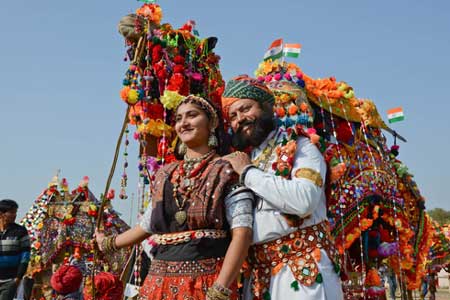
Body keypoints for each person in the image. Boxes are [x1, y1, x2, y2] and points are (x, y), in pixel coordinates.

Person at [96, 95, 254, 300]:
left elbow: (242, 234)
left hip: (205, 284)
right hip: (157, 283)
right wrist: (108, 242)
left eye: (192, 115)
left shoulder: (226, 170)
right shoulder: (166, 174)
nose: (183, 123)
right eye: (179, 119)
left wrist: (220, 289)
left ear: (211, 124)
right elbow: (147, 225)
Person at [222, 75, 343, 299]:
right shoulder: (245, 160)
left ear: (266, 106)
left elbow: (304, 201)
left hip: (303, 273)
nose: (240, 119)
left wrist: (249, 173)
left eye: (246, 108)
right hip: (259, 278)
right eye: (233, 116)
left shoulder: (301, 145)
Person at [0, 199, 30, 300]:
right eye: (11, 212)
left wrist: (18, 278)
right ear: (2, 214)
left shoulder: (20, 231)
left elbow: (25, 256)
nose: (15, 215)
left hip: (10, 280)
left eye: (15, 212)